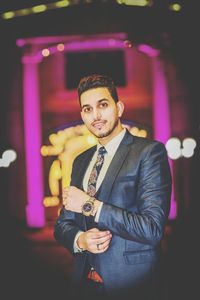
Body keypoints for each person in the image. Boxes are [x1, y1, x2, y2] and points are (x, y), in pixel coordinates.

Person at [54, 74, 172, 300]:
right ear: (82, 115)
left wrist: (90, 205)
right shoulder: (80, 161)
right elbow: (62, 224)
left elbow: (152, 229)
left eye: (103, 105)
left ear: (118, 108)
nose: (95, 115)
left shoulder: (149, 152)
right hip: (84, 285)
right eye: (87, 109)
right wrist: (80, 239)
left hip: (134, 285)